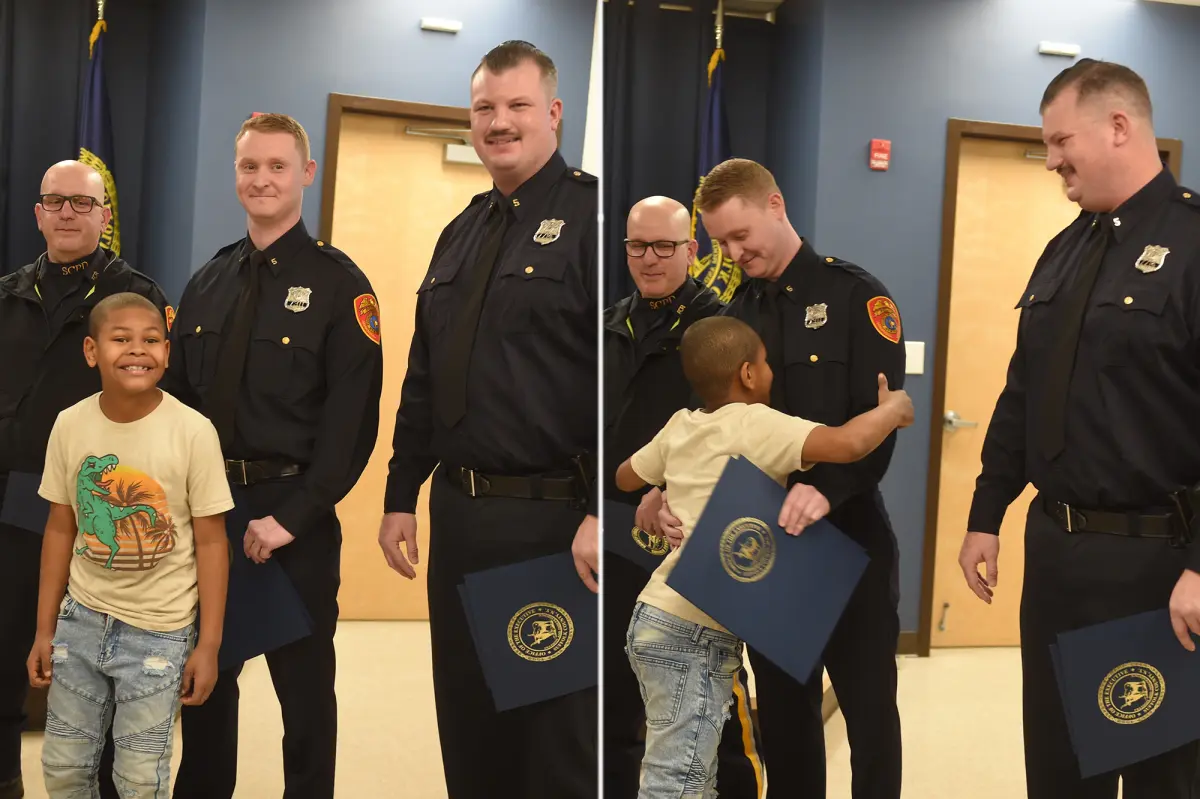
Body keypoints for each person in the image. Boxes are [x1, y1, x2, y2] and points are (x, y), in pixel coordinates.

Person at [959, 59, 1200, 799]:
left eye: (1062, 140)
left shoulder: (1193, 241)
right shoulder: (1065, 249)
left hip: (1158, 564)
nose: (1052, 159)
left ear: (1119, 126)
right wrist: (985, 511)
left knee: (1162, 775)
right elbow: (1023, 390)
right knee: (1062, 768)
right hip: (1059, 555)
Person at [377, 41, 597, 799]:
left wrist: (604, 506)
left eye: (517, 106)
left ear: (554, 114)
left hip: (551, 522)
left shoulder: (594, 219)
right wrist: (402, 490)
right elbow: (424, 373)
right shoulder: (461, 231)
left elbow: (623, 382)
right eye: (484, 109)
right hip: (462, 517)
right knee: (469, 723)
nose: (499, 122)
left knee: (551, 737)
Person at [658, 157, 907, 798]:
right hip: (765, 544)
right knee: (787, 718)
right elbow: (713, 428)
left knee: (870, 713)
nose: (734, 253)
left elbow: (878, 424)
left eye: (741, 236)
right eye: (720, 244)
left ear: (775, 206)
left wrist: (826, 489)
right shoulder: (734, 314)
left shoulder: (857, 297)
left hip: (849, 538)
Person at [163, 113, 383, 799]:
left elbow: (352, 426)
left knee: (305, 692)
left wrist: (292, 517)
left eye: (278, 167)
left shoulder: (340, 284)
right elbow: (176, 404)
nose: (262, 179)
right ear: (236, 175)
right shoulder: (208, 280)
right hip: (208, 516)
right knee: (204, 679)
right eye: (249, 167)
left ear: (306, 174)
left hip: (293, 521)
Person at [616, 315, 913, 798]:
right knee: (680, 778)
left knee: (680, 765)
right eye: (767, 362)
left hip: (654, 618)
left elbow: (626, 476)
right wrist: (895, 409)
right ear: (748, 374)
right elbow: (850, 443)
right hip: (694, 631)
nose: (773, 371)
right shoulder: (756, 423)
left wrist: (666, 482)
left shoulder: (681, 425)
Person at [0, 161, 169, 799]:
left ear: (104, 216)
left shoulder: (134, 297)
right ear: (39, 213)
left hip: (92, 503)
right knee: (4, 644)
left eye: (81, 203)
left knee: (99, 661)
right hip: (9, 495)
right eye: (54, 202)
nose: (67, 213)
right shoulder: (8, 293)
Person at [26, 293, 230, 798]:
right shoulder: (70, 424)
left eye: (152, 340)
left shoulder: (193, 431)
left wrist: (209, 644)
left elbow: (211, 542)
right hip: (81, 621)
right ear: (92, 351)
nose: (138, 351)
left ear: (167, 351)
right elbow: (59, 528)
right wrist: (44, 629)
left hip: (159, 632)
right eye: (121, 339)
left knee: (140, 778)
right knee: (65, 768)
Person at [603, 196, 764, 798]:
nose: (649, 258)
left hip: (691, 535)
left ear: (692, 250)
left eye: (664, 246)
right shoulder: (609, 323)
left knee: (713, 698)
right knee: (619, 693)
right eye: (637, 246)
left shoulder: (717, 329)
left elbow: (741, 430)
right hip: (617, 528)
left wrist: (668, 486)